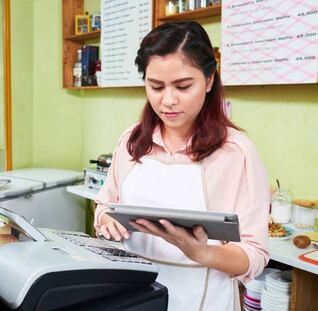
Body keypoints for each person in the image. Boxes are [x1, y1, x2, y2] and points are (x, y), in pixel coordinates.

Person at [94, 21, 269, 311]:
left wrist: (201, 252)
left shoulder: (236, 153)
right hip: (132, 296)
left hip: (203, 300)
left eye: (183, 86)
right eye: (156, 87)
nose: (168, 100)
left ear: (210, 80)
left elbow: (256, 255)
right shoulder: (132, 140)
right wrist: (104, 220)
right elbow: (104, 205)